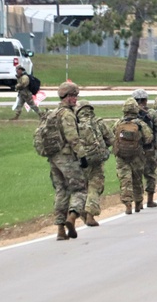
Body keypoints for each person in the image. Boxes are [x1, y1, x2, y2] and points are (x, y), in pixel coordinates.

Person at [47, 82, 88, 240]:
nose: (76, 99)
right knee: (80, 189)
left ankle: (60, 230)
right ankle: (71, 217)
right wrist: (82, 156)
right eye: (74, 96)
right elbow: (73, 138)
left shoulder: (52, 113)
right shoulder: (67, 115)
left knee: (61, 191)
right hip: (67, 158)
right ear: (67, 97)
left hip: (54, 159)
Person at [113, 97, 154, 214]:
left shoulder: (118, 123)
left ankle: (127, 205)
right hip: (137, 156)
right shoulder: (140, 124)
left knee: (125, 180)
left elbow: (112, 136)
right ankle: (138, 202)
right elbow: (148, 138)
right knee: (137, 179)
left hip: (121, 156)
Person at [75, 99, 113, 226]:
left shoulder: (73, 124)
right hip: (97, 160)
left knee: (81, 188)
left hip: (79, 161)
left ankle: (82, 213)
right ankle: (90, 214)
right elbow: (111, 139)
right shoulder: (98, 122)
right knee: (95, 186)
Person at [132, 88, 157, 208]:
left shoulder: (129, 114)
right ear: (145, 100)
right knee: (150, 174)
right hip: (149, 148)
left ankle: (138, 202)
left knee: (136, 175)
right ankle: (149, 200)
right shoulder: (152, 113)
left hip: (134, 149)